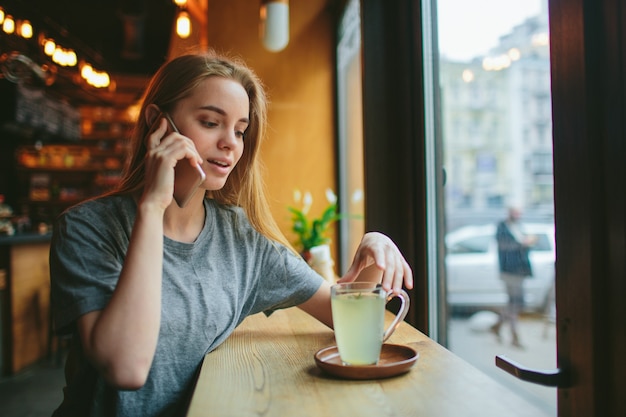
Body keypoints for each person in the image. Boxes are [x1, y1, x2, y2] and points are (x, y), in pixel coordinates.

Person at [49, 52, 413, 417]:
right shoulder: (86, 229)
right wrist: (152, 207)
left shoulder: (240, 239)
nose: (231, 143)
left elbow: (346, 317)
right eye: (210, 122)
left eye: (240, 130)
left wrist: (375, 247)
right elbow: (125, 368)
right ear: (157, 123)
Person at [491, 206, 535, 348]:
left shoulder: (518, 226)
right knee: (516, 302)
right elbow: (505, 247)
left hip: (519, 270)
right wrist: (522, 243)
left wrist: (527, 242)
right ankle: (514, 336)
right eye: (515, 212)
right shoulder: (503, 227)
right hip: (510, 271)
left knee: (515, 303)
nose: (518, 215)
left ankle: (498, 326)